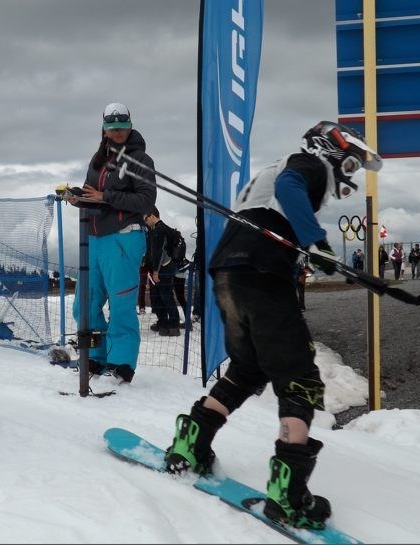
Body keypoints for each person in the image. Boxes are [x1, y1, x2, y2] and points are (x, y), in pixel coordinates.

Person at [162, 121, 382, 529]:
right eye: (350, 162)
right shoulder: (308, 164)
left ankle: (191, 443)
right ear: (332, 147)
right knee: (299, 376)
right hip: (263, 273)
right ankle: (289, 494)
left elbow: (278, 198)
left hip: (228, 271)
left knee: (249, 368)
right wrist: (315, 241)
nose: (348, 174)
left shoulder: (275, 167)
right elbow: (290, 191)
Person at [65, 102, 156, 384]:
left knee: (120, 305)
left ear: (130, 126)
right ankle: (95, 356)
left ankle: (121, 363)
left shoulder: (141, 160)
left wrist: (105, 197)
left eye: (122, 127)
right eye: (112, 128)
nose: (117, 132)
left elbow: (145, 201)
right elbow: (92, 193)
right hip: (94, 239)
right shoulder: (99, 160)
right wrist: (76, 198)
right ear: (104, 128)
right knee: (85, 305)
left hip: (124, 237)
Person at [143, 207, 181, 337]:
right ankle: (163, 322)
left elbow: (161, 252)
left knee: (166, 296)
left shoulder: (161, 229)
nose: (146, 222)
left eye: (146, 219)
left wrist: (156, 271)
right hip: (161, 269)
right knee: (158, 297)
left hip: (163, 269)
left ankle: (174, 325)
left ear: (152, 216)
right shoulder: (157, 230)